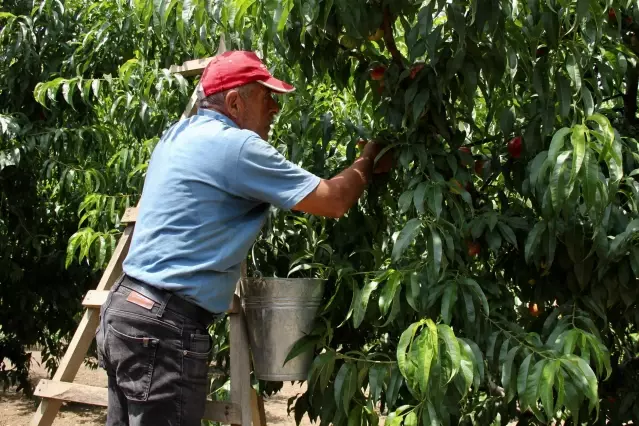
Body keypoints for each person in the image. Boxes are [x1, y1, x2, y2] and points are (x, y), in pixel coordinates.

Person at [95, 50, 392, 426]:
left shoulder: (178, 133)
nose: (275, 109)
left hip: (125, 312)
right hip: (163, 328)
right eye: (267, 97)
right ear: (235, 102)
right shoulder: (237, 148)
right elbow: (333, 200)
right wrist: (368, 158)